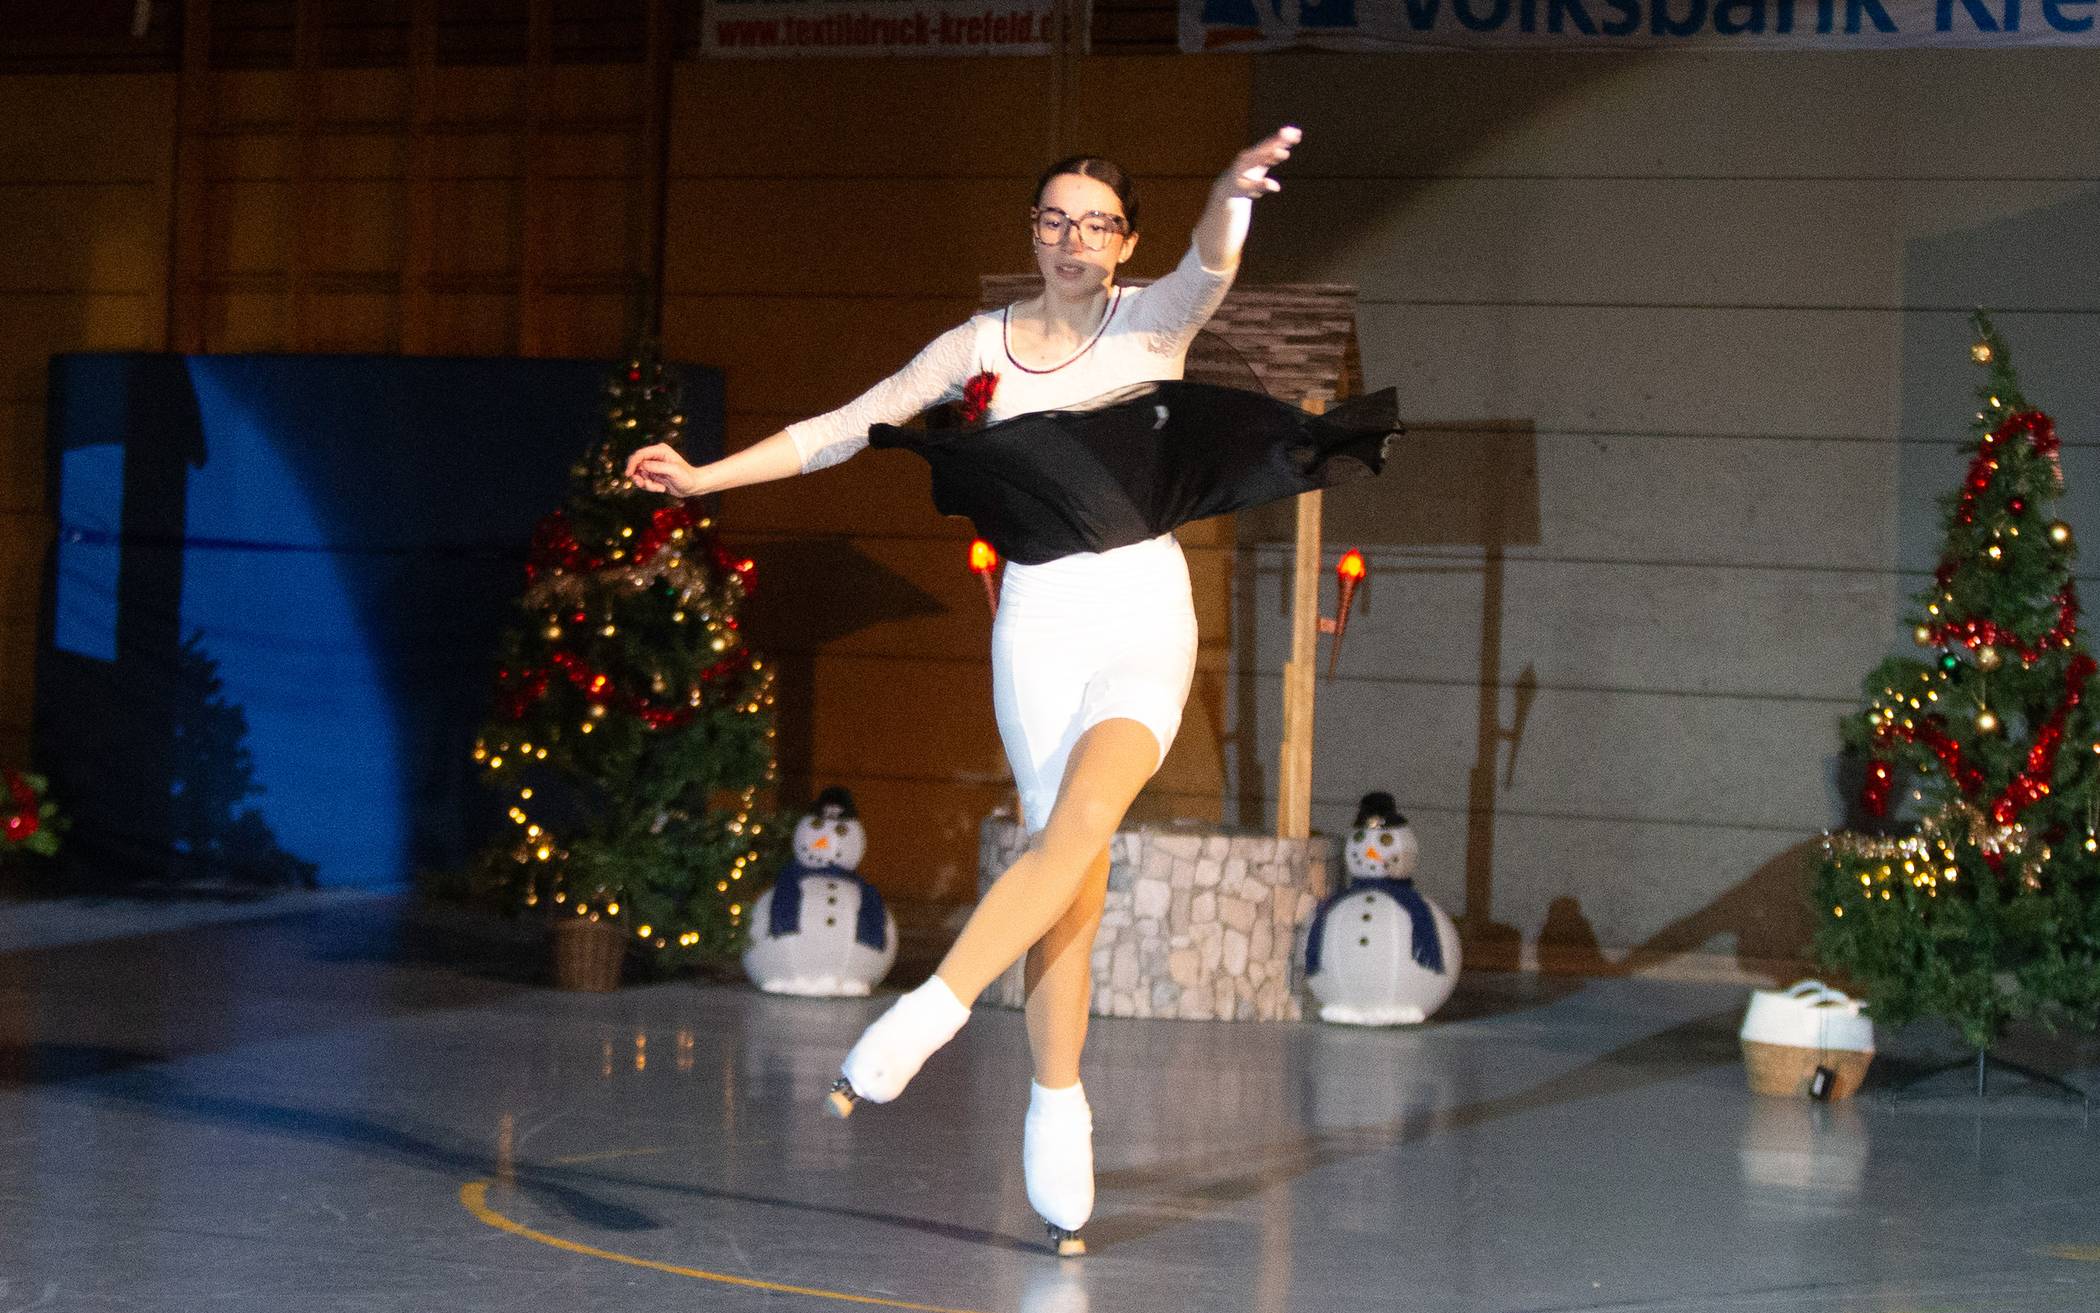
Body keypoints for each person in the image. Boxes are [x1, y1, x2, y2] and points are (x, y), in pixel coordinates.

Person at [628, 126, 1305, 1255]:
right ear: (1033, 232)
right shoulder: (976, 346)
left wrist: (1232, 194)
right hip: (1036, 626)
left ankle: (927, 1013)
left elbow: (1213, 263)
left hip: (1140, 613)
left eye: (1097, 225)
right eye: (1056, 220)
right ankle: (1057, 1103)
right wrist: (704, 477)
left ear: (1126, 241)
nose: (1074, 241)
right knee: (1066, 880)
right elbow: (845, 427)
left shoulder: (1153, 322)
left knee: (1087, 820)